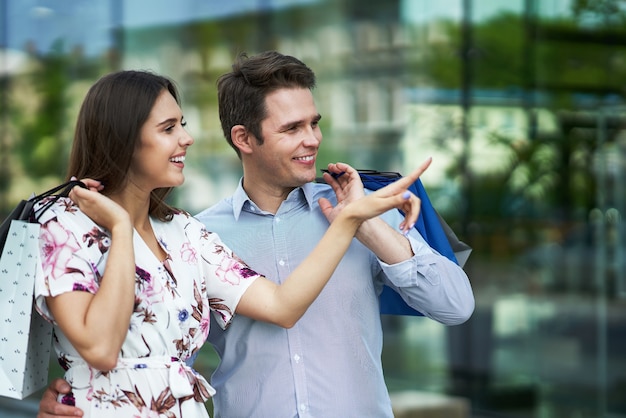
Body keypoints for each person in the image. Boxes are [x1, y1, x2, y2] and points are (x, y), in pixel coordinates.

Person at [38, 52, 474, 418]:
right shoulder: (199, 231)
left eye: (314, 123)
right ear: (244, 138)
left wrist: (361, 223)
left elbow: (455, 307)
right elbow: (129, 344)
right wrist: (73, 389)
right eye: (291, 129)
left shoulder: (356, 207)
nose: (313, 140)